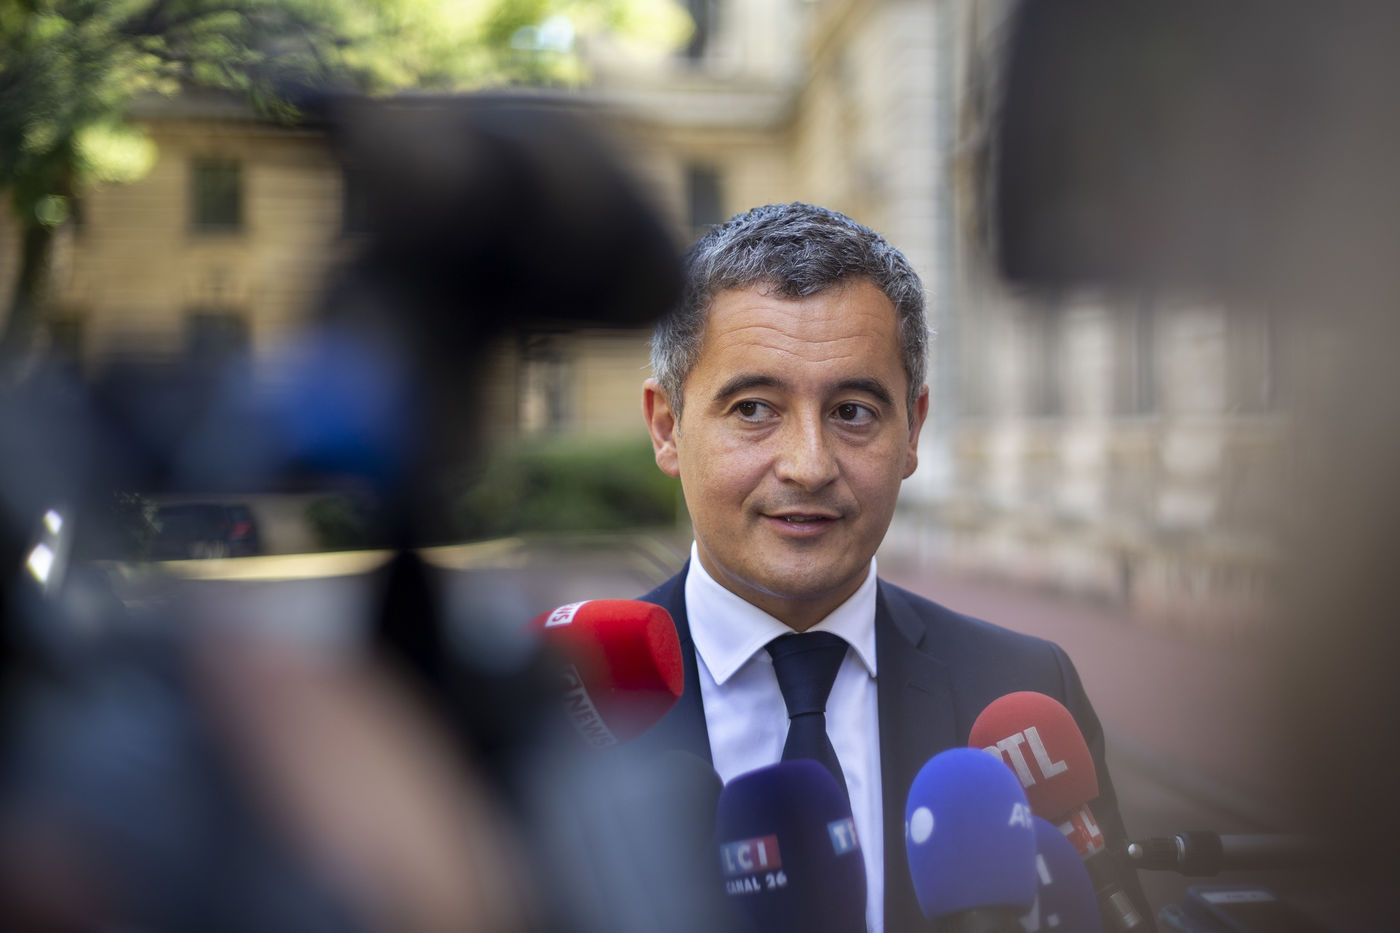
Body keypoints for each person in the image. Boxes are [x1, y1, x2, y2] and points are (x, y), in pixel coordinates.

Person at [638, 202, 1147, 932]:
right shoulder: (556, 715)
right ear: (667, 427)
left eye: (852, 411)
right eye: (753, 408)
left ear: (913, 430)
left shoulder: (1025, 693)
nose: (809, 464)